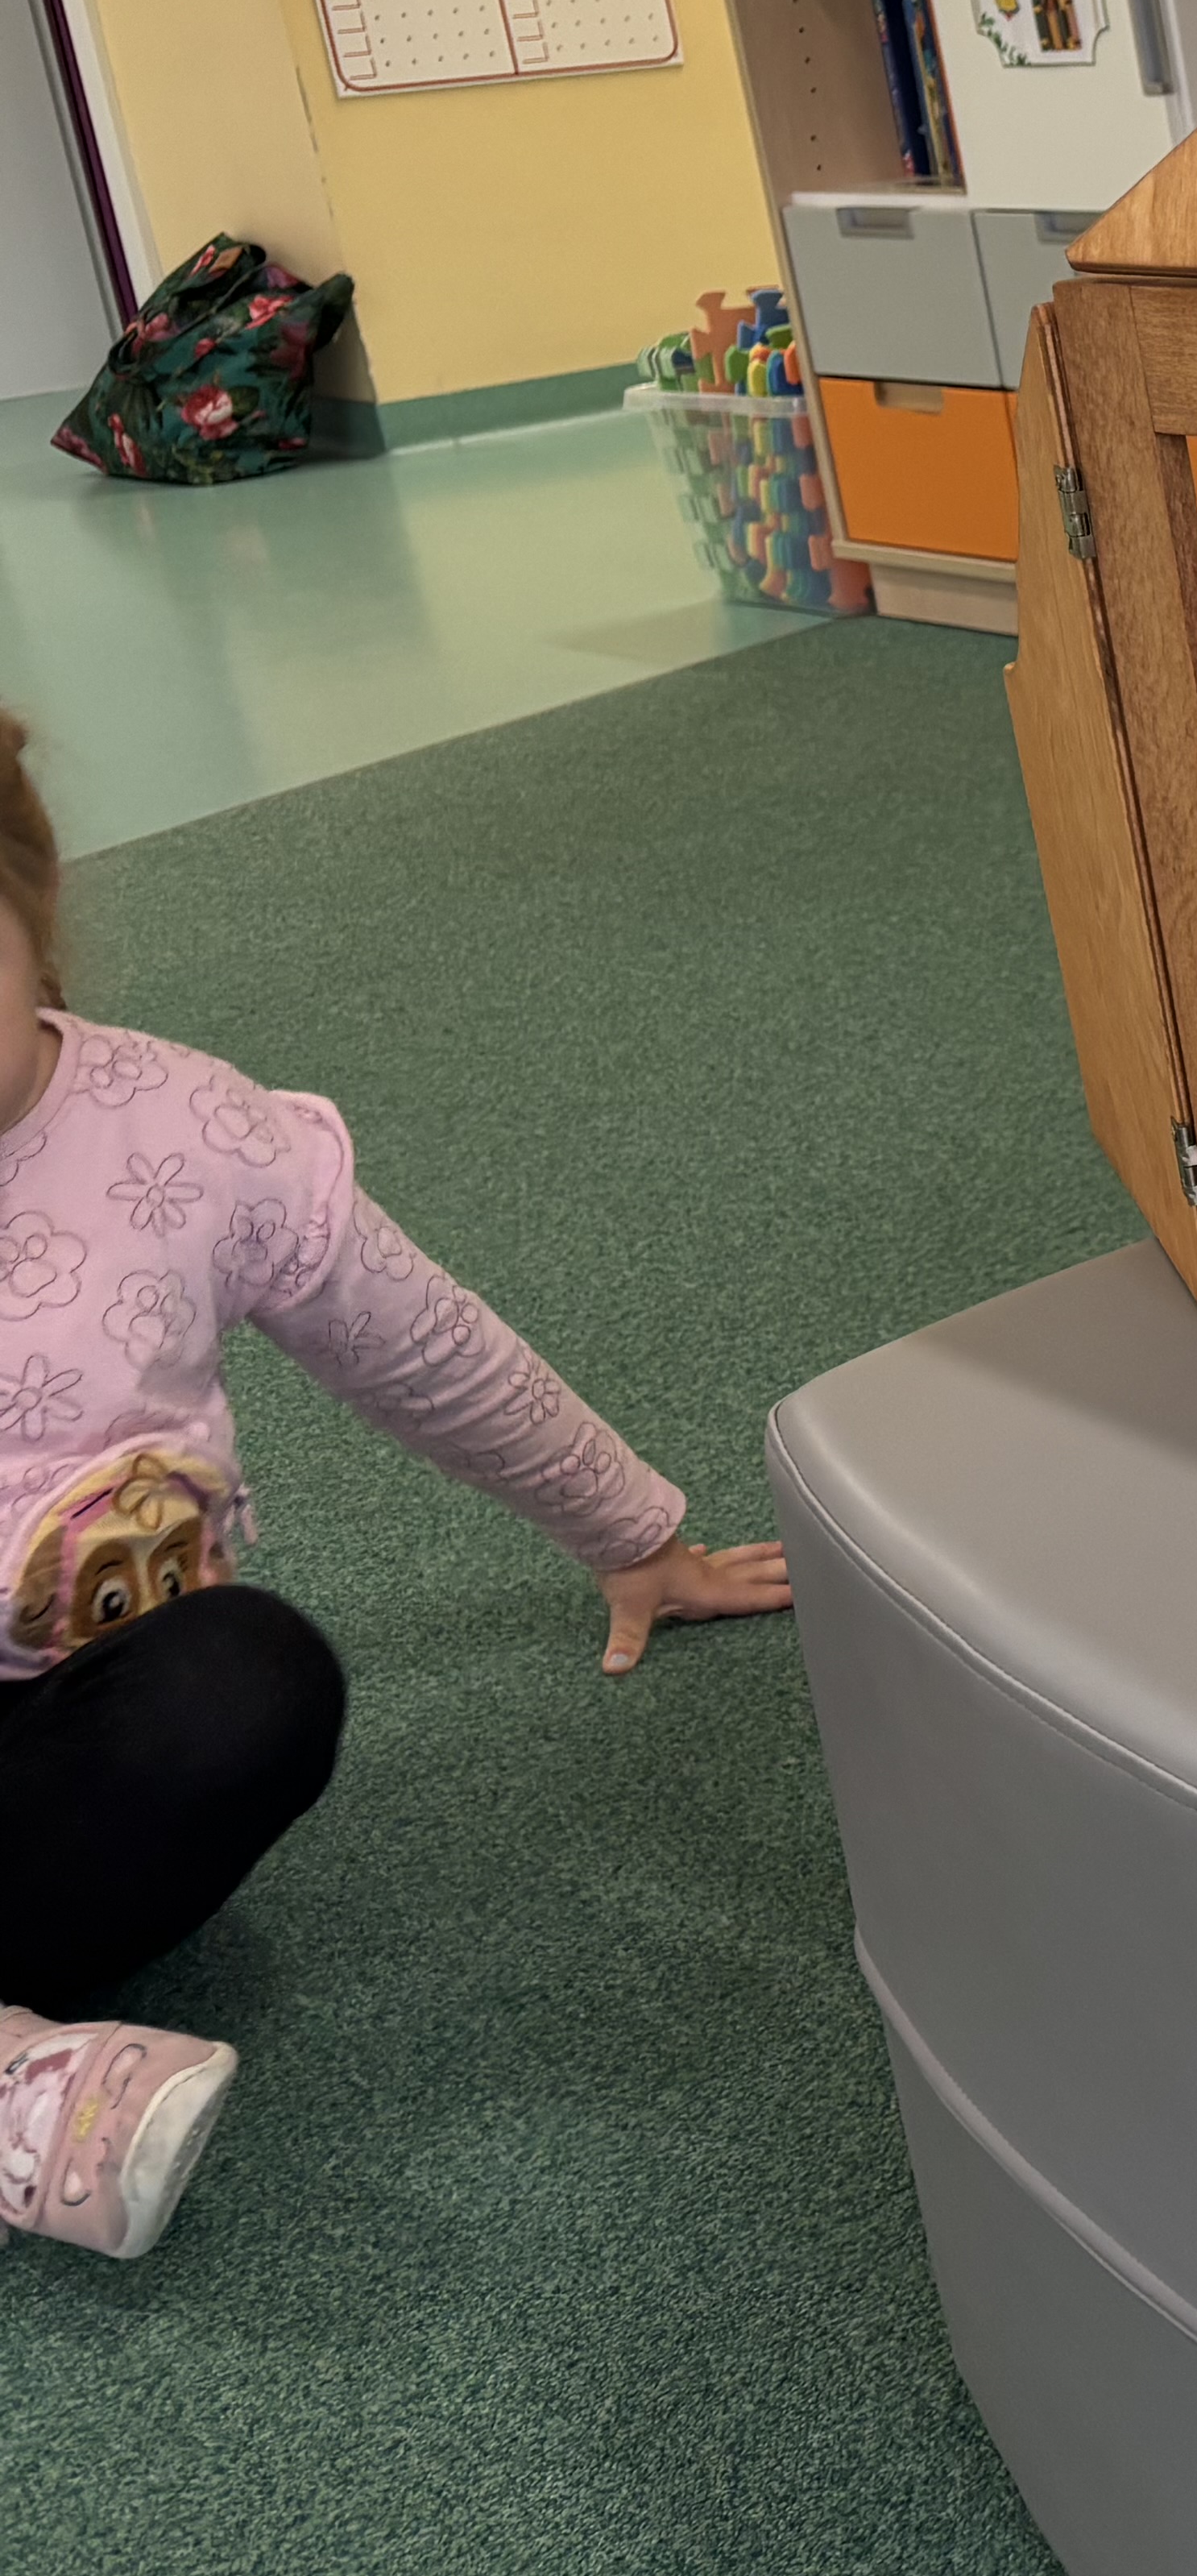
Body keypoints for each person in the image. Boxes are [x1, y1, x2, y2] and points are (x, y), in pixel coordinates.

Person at [0, 708, 791, 2262]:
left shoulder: (187, 1132)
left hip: (70, 1740)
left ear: (33, 905)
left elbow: (424, 1348)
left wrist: (634, 1532)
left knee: (251, 1681)